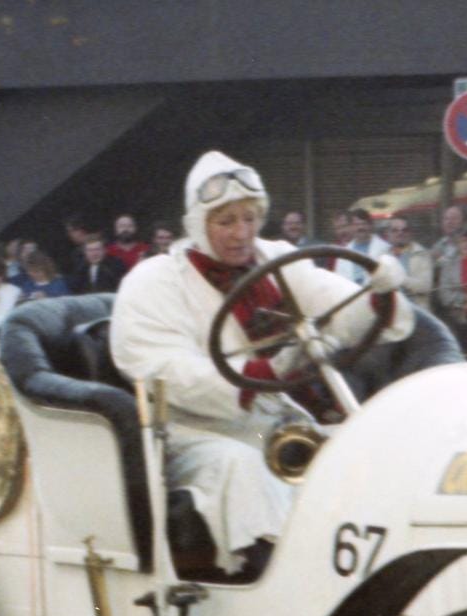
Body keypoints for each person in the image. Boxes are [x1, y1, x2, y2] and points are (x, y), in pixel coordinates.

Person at [111, 150, 414, 574]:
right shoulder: (154, 281)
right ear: (198, 223)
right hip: (189, 432)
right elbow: (165, 371)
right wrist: (262, 374)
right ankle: (271, 580)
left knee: (358, 449)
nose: (241, 234)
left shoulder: (274, 258)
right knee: (242, 467)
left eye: (250, 218)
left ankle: (370, 567)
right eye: (226, 221)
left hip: (273, 418)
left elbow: (336, 305)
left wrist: (378, 295)